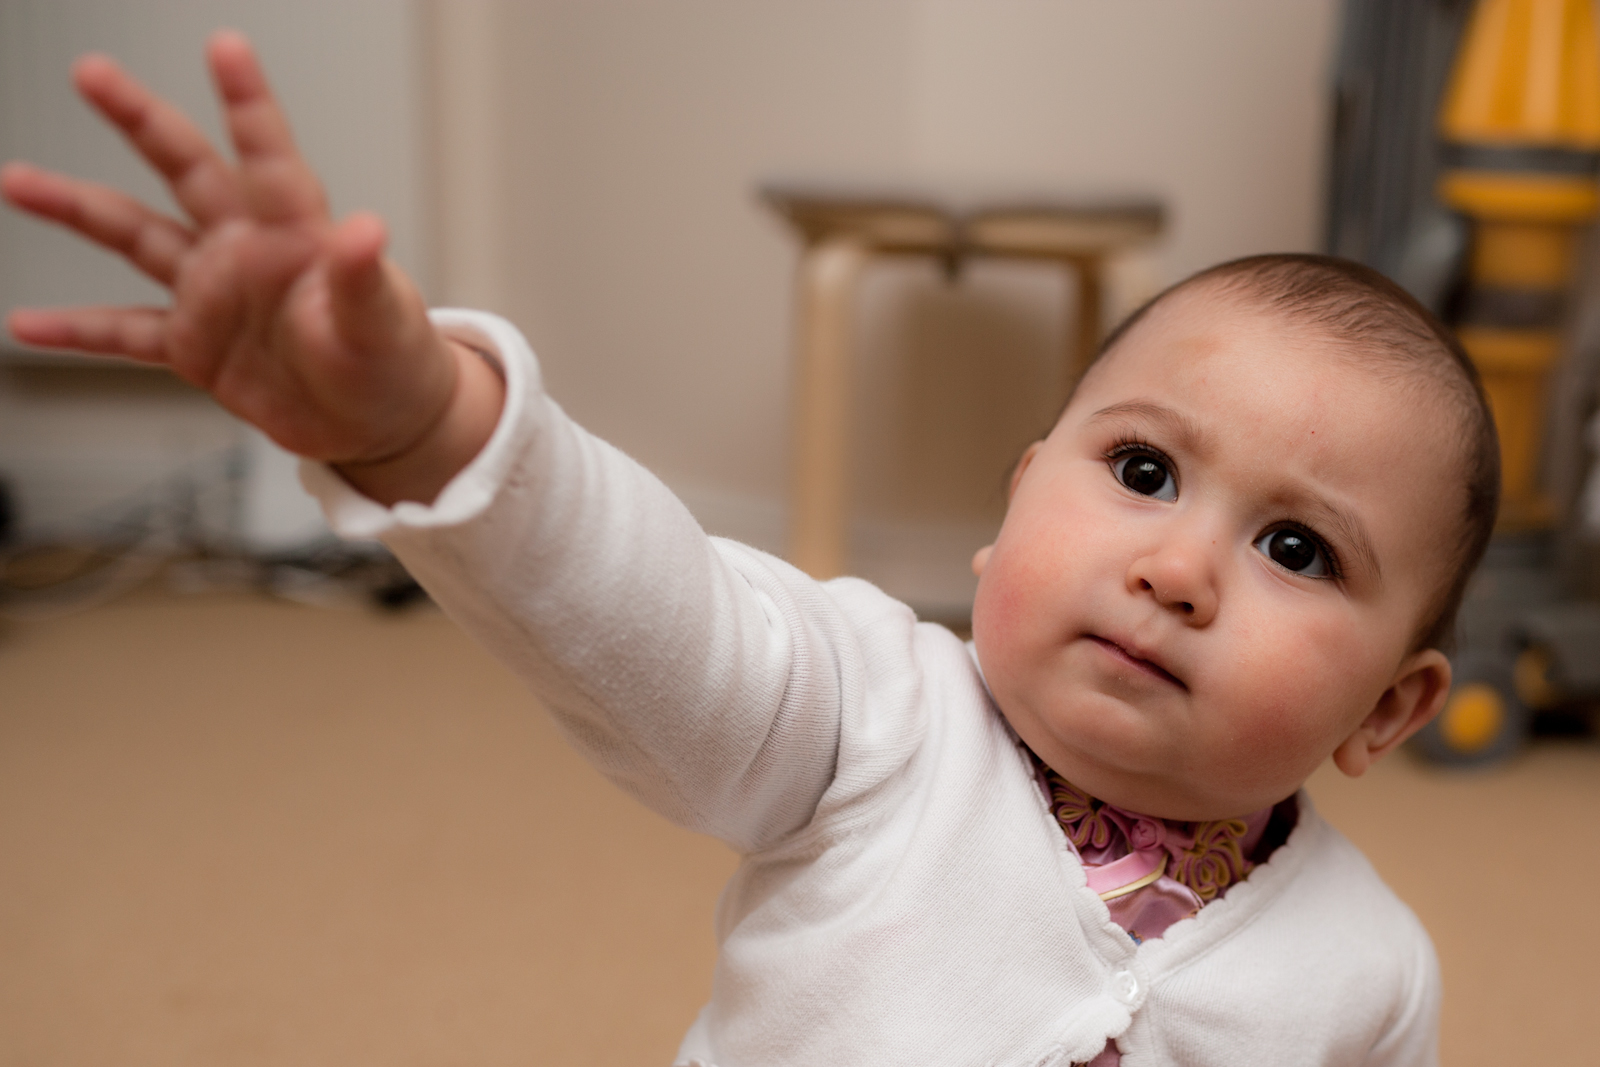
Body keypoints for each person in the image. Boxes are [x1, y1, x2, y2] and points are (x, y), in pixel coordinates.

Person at [3, 32, 1496, 1067]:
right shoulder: (872, 721)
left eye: (1297, 548)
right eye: (1144, 471)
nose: (1179, 570)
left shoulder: (1371, 976)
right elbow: (646, 611)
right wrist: (426, 426)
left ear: (1389, 707)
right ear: (1015, 503)